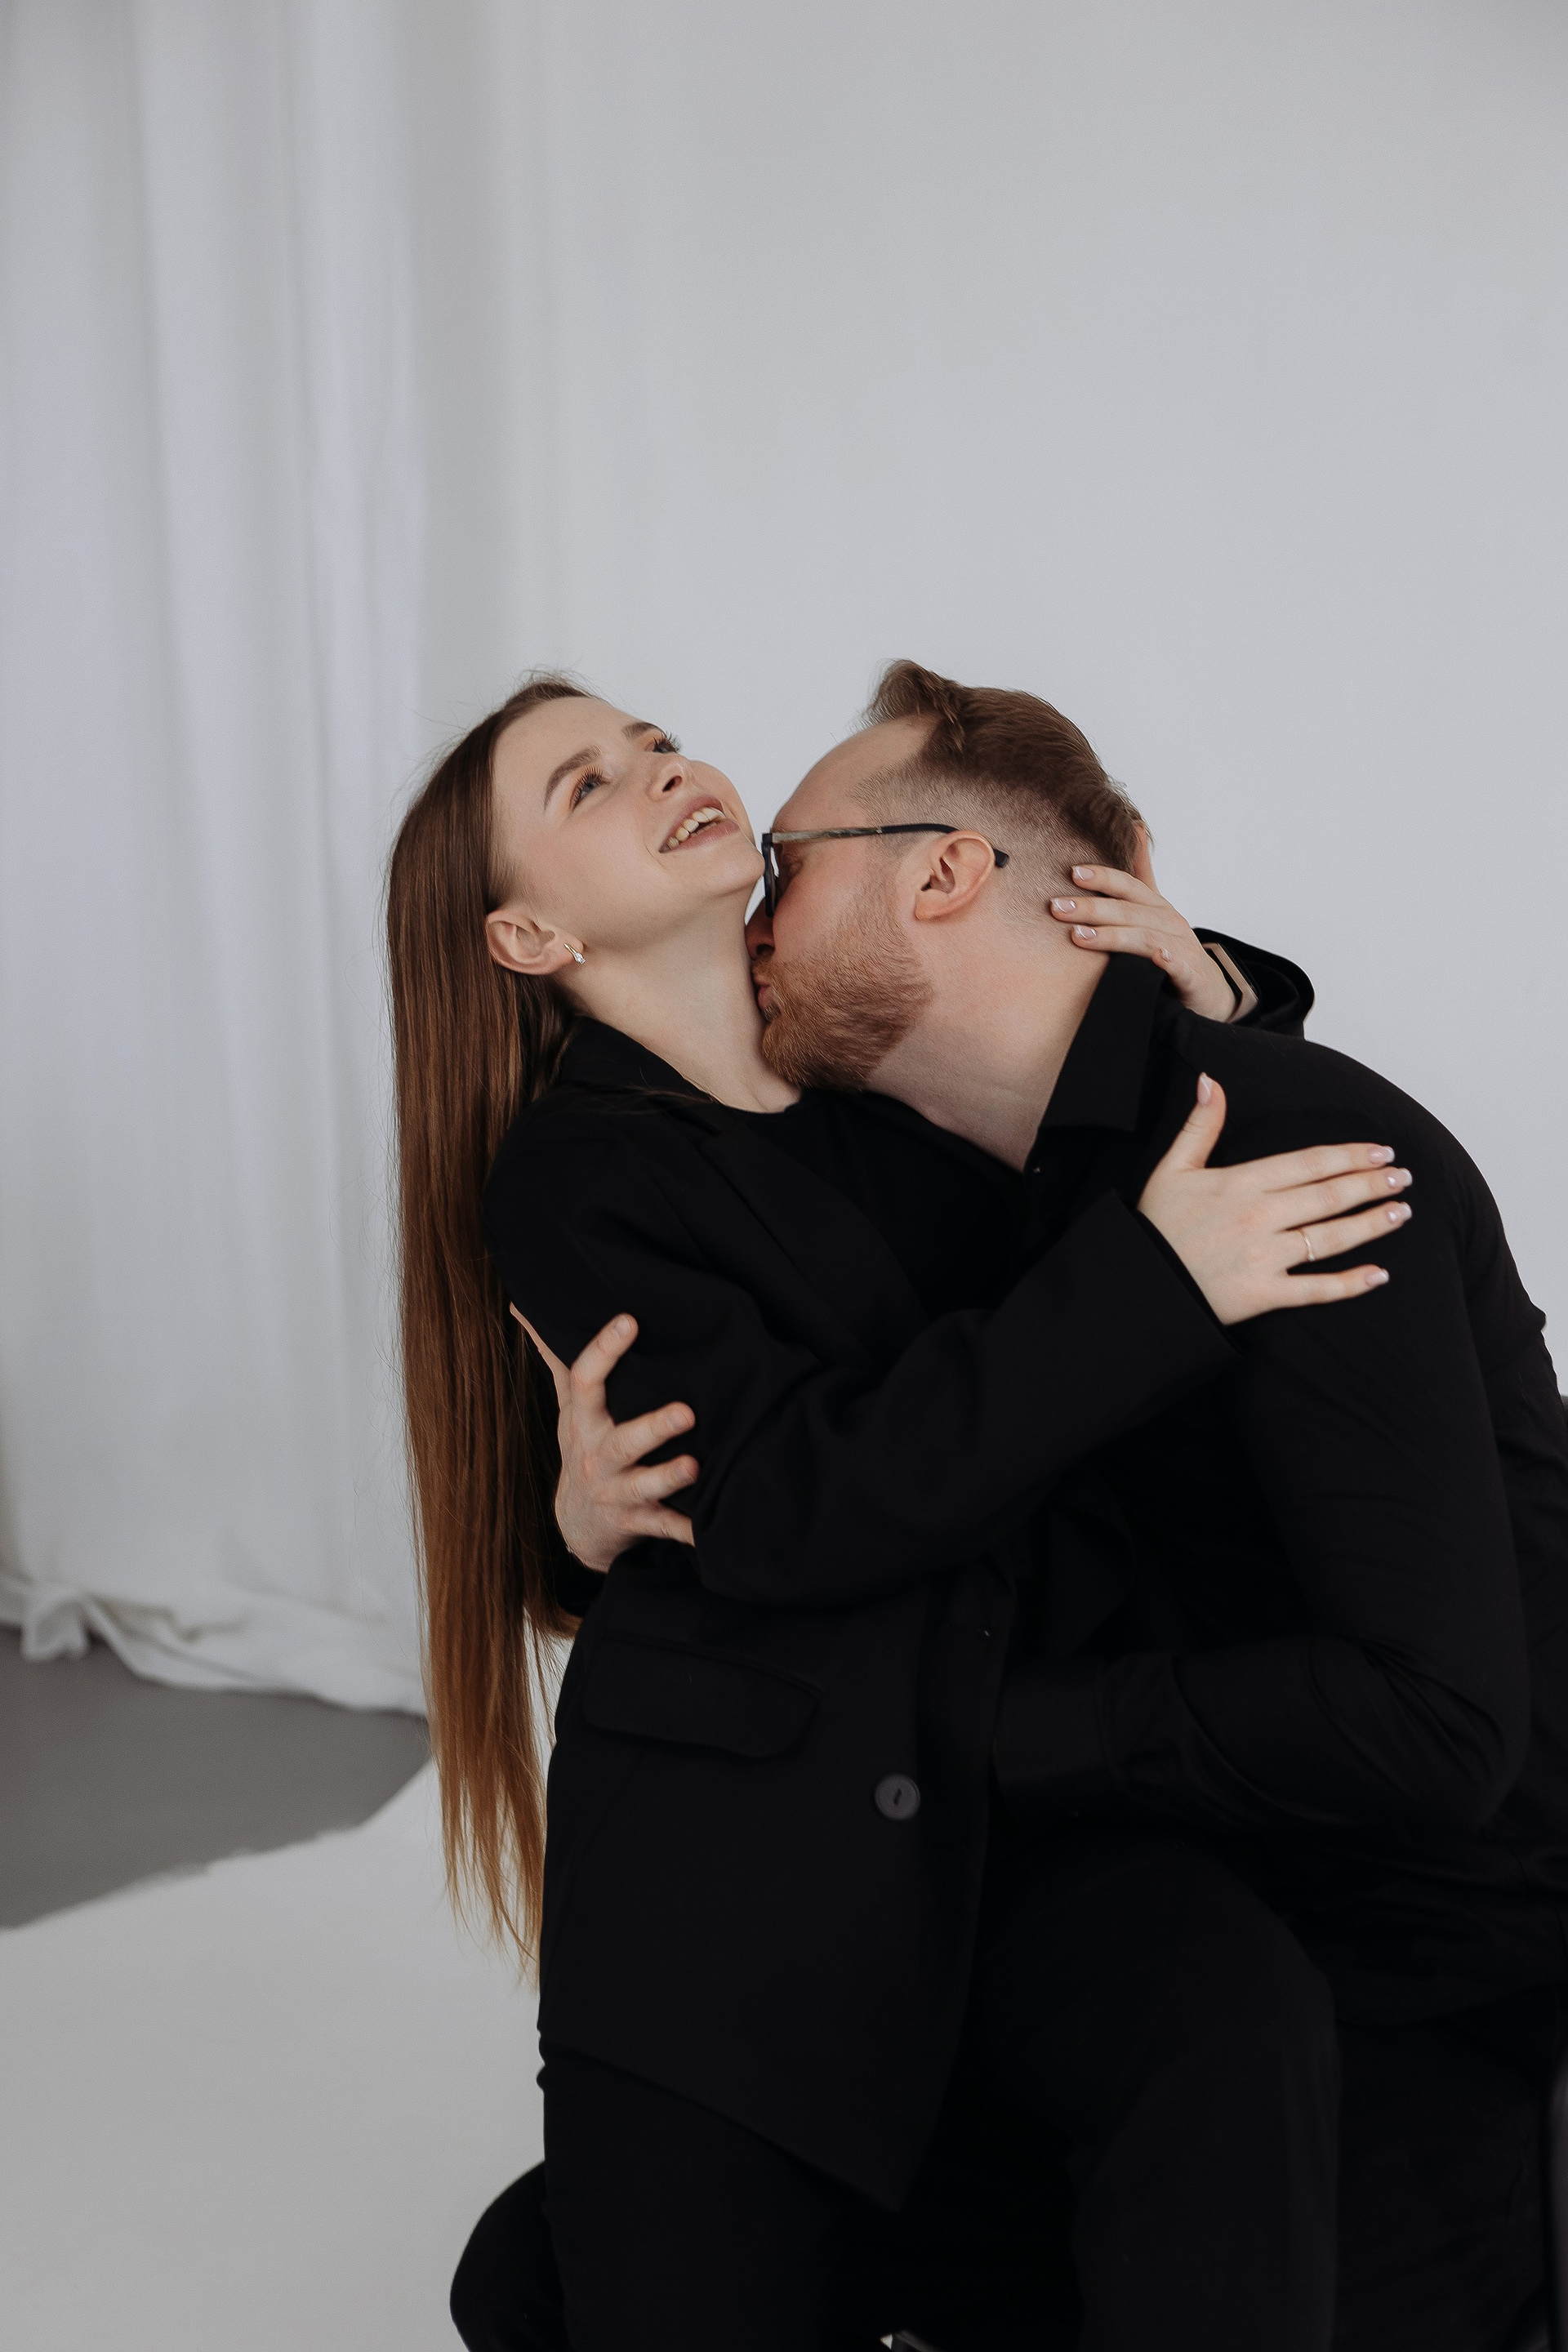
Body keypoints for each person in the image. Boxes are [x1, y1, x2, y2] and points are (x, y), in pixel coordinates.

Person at [536, 662, 1568, 2352]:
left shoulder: (1282, 1163)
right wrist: (571, 1538)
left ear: (943, 874)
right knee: (543, 2271)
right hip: (1207, 1862)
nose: (756, 921)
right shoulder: (999, 1177)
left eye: (787, 869)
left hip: (1432, 1944)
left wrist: (980, 1745)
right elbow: (839, 1451)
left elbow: (1438, 1729)